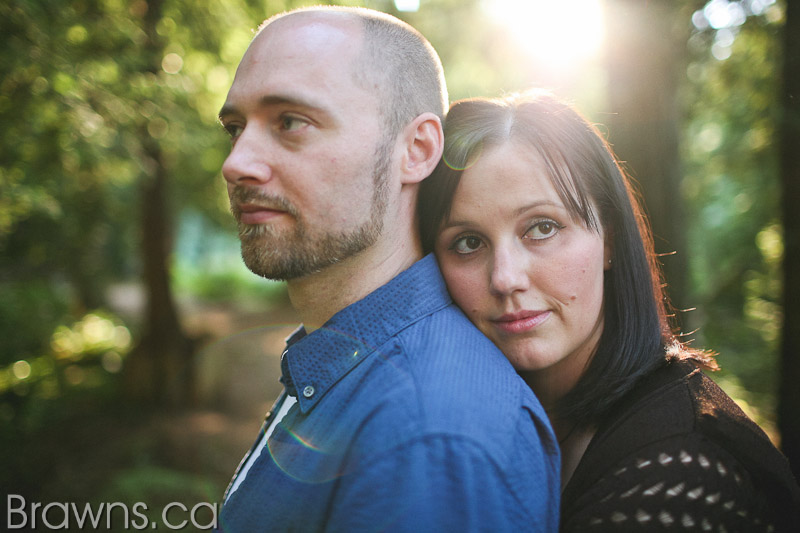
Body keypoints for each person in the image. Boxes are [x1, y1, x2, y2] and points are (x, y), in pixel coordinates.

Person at [215, 7, 560, 531]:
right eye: (235, 128)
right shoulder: (344, 361)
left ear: (416, 150)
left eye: (290, 122)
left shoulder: (429, 437)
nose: (236, 162)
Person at [419, 89, 800, 531]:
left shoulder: (680, 470)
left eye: (542, 228)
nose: (505, 278)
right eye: (468, 242)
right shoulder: (461, 434)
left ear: (611, 240)